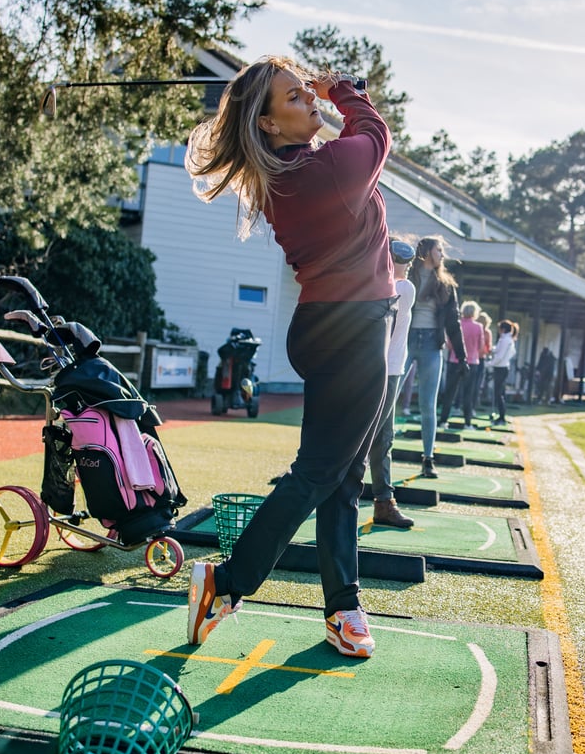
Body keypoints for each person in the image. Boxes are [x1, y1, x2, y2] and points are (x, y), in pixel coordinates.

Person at [184, 56, 395, 658]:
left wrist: (315, 95)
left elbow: (352, 144)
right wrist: (343, 92)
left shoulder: (293, 171)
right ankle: (226, 583)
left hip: (329, 327)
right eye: (294, 99)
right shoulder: (323, 171)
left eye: (306, 95)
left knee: (340, 474)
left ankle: (342, 607)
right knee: (323, 473)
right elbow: (374, 136)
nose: (309, 103)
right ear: (269, 124)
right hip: (353, 331)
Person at [402, 237, 466, 478]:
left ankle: (428, 459)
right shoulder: (408, 274)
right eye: (438, 249)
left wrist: (462, 356)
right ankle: (368, 454)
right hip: (406, 341)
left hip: (431, 344)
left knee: (428, 405)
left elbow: (454, 321)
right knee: (388, 398)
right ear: (427, 251)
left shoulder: (446, 284)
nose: (442, 253)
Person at [365, 238, 418, 529]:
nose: (408, 265)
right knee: (372, 437)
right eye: (402, 259)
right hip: (384, 371)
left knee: (383, 437)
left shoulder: (383, 286)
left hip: (388, 369)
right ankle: (338, 495)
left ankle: (383, 503)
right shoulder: (404, 288)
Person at [438, 301, 484, 428]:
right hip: (472, 362)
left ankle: (443, 421)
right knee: (468, 394)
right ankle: (468, 423)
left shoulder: (457, 325)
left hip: (455, 361)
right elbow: (481, 347)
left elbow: (450, 345)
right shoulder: (479, 327)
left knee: (449, 393)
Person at [487, 319, 518, 424]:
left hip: (500, 368)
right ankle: (501, 416)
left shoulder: (505, 340)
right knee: (500, 393)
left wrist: (489, 364)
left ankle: (501, 417)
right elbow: (501, 351)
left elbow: (500, 357)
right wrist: (493, 350)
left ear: (503, 329)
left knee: (498, 393)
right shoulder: (507, 339)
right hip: (503, 367)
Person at [474, 311, 493, 411]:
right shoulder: (484, 332)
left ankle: (472, 404)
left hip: (476, 358)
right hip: (477, 358)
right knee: (476, 383)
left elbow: (488, 347)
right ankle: (471, 405)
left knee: (474, 383)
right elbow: (488, 348)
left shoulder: (486, 332)